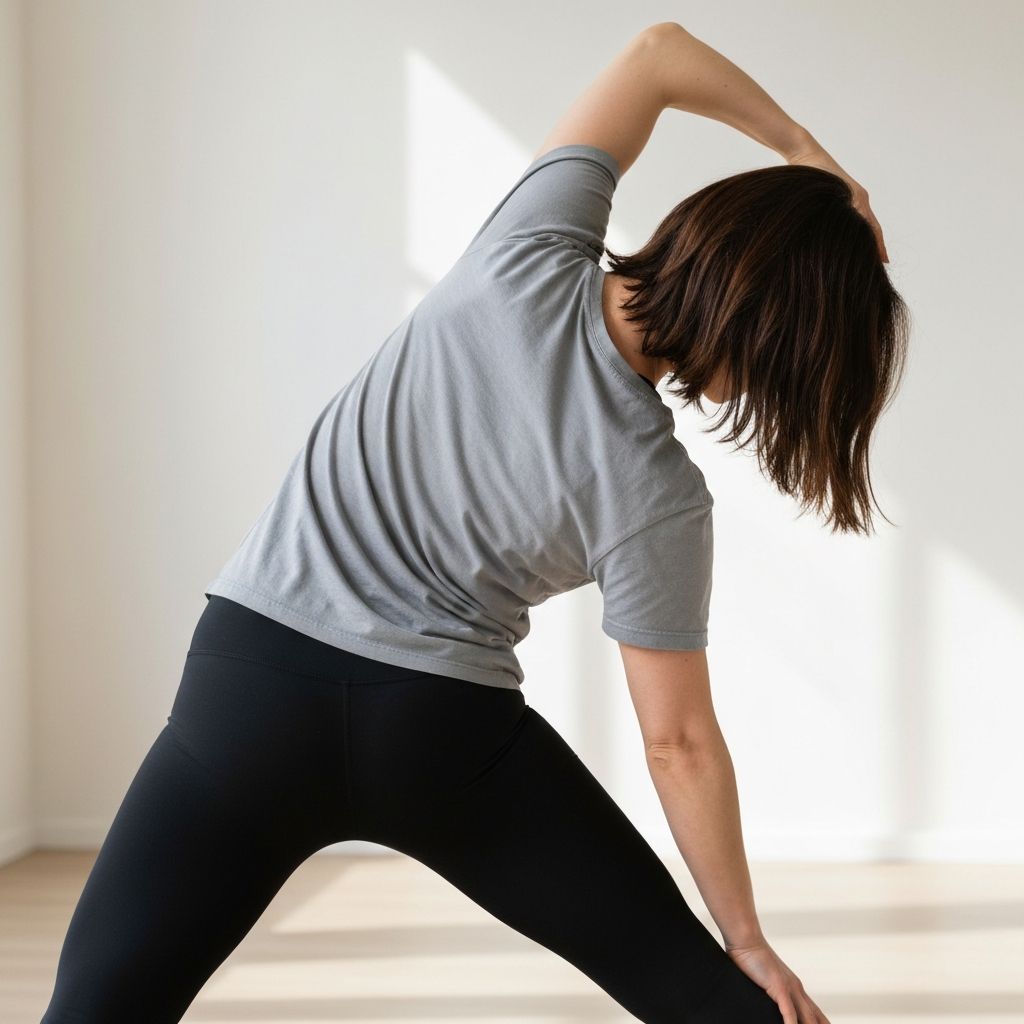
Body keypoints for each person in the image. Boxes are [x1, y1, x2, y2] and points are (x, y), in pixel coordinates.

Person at [40, 20, 908, 1024]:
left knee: (96, 1007)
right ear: (770, 346)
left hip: (249, 698)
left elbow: (659, 53)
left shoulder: (527, 249)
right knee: (713, 1004)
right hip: (442, 742)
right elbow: (677, 743)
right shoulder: (657, 493)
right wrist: (745, 942)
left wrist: (804, 148)